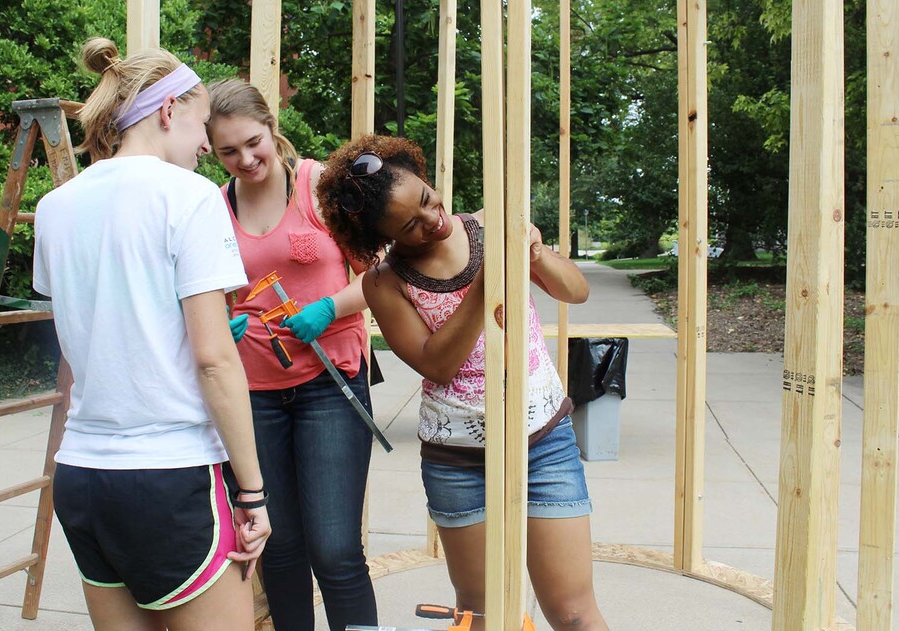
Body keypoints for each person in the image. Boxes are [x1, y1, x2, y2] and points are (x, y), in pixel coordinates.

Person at [318, 135, 612, 631]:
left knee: (573, 611)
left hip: (543, 442)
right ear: (381, 238)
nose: (433, 219)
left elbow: (576, 291)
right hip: (458, 460)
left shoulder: (491, 227)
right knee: (480, 613)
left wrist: (534, 254)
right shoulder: (385, 283)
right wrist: (485, 287)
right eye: (410, 225)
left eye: (428, 199)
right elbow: (437, 365)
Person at [33, 38, 270, 631]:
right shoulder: (188, 197)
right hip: (171, 475)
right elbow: (214, 360)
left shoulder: (56, 206)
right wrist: (253, 493)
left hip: (84, 478)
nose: (204, 148)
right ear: (168, 112)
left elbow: (86, 336)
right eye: (200, 126)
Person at [207, 78, 378, 631]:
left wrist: (331, 307)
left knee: (334, 551)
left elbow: (383, 272)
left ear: (271, 127)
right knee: (277, 551)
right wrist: (219, 325)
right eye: (228, 151)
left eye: (252, 142)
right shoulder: (213, 206)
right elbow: (206, 292)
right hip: (252, 395)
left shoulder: (320, 185)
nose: (245, 159)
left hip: (332, 386)